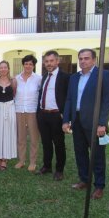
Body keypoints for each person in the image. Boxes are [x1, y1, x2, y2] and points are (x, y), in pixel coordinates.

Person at [62, 49, 109, 200]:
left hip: (95, 122)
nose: (83, 61)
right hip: (77, 120)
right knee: (80, 152)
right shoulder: (74, 77)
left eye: (86, 58)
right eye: (80, 58)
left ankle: (99, 186)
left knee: (97, 155)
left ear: (94, 60)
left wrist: (102, 123)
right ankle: (84, 180)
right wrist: (66, 120)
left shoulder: (103, 75)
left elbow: (107, 100)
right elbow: (69, 100)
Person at [36, 50, 70, 181]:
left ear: (57, 61)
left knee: (59, 144)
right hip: (43, 115)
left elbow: (68, 98)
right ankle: (47, 166)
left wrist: (66, 117)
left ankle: (59, 170)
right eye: (46, 61)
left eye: (51, 61)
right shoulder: (44, 77)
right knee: (46, 143)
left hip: (56, 116)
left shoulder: (65, 77)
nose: (48, 64)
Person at [14, 55, 42, 172]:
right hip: (19, 110)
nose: (28, 66)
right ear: (23, 65)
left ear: (33, 65)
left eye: (30, 64)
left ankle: (32, 162)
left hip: (32, 111)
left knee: (34, 138)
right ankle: (21, 160)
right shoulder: (16, 78)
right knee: (21, 137)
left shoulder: (38, 79)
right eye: (26, 64)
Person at [0, 61, 17, 170]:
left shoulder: (13, 81)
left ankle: (5, 158)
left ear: (8, 69)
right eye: (1, 67)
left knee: (8, 132)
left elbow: (14, 94)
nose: (3, 69)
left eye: (5, 67)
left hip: (9, 108)